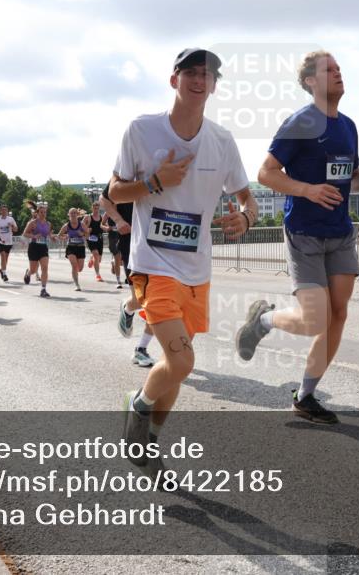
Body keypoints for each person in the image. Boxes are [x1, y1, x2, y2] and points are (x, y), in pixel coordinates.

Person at [116, 47, 257, 474]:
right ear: (173, 79)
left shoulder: (222, 140)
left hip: (197, 271)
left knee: (175, 369)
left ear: (214, 86)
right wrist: (155, 181)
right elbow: (115, 192)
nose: (200, 80)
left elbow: (245, 195)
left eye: (208, 75)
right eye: (191, 72)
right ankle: (137, 409)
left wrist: (246, 218)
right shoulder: (142, 130)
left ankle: (150, 441)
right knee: (182, 361)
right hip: (150, 265)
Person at [235, 50, 359, 425]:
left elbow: (349, 179)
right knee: (314, 320)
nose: (338, 73)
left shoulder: (349, 126)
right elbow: (266, 173)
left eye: (339, 68)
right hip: (304, 232)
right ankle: (264, 320)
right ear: (310, 82)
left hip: (340, 233)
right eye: (329, 69)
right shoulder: (300, 122)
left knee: (338, 315)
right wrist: (306, 190)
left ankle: (305, 396)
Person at [102, 183, 156, 367]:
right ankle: (128, 308)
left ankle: (141, 349)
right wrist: (118, 220)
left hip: (161, 245)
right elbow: (105, 199)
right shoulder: (127, 173)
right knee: (143, 299)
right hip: (132, 245)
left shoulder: (166, 170)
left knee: (158, 300)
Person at [22, 200, 53, 298]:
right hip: (34, 247)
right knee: (33, 270)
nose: (43, 214)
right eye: (41, 212)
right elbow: (25, 234)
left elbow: (48, 234)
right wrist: (34, 236)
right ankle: (28, 273)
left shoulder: (48, 224)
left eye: (45, 212)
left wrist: (52, 237)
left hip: (43, 247)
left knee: (45, 267)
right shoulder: (33, 223)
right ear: (37, 213)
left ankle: (43, 289)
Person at [59, 208, 88, 291]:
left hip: (81, 247)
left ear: (77, 215)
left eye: (75, 213)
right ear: (69, 215)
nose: (73, 215)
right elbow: (59, 235)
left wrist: (82, 234)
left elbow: (87, 235)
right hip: (71, 247)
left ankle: (75, 275)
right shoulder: (66, 226)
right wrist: (65, 237)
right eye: (71, 213)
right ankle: (77, 284)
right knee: (74, 266)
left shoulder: (82, 224)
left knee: (80, 268)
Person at [0, 204, 18, 282]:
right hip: (0, 241)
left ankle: (2, 270)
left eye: (5, 210)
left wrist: (11, 226)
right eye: (2, 210)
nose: (4, 211)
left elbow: (16, 230)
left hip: (9, 241)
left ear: (7, 211)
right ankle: (4, 274)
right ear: (0, 211)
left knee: (6, 259)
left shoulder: (11, 219)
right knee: (3, 257)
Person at [103, 212, 125, 289]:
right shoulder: (108, 213)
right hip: (112, 238)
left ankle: (113, 263)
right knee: (117, 257)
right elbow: (101, 224)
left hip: (122, 236)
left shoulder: (122, 209)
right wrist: (106, 228)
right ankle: (118, 281)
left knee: (121, 260)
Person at [86, 206, 106, 282]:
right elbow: (82, 226)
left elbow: (105, 225)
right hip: (91, 238)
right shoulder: (88, 217)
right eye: (95, 208)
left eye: (97, 208)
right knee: (96, 255)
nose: (96, 210)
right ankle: (98, 275)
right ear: (92, 208)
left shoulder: (101, 217)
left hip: (100, 239)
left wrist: (108, 228)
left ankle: (92, 258)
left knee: (98, 259)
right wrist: (87, 229)